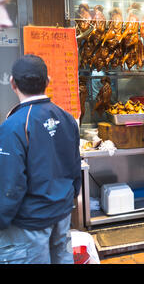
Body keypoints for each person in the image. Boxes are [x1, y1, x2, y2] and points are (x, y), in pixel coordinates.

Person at [0, 55, 81, 264]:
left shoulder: (13, 126)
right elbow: (75, 166)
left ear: (13, 83)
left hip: (30, 223)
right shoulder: (67, 118)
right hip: (61, 214)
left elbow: (11, 185)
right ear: (48, 82)